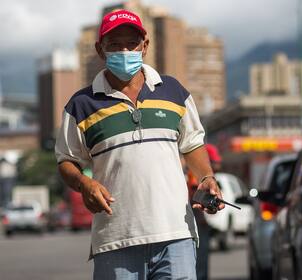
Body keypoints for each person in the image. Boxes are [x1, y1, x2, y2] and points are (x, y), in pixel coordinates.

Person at [55, 9, 224, 280]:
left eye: (131, 43)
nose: (124, 50)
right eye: (114, 44)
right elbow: (66, 161)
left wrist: (206, 177)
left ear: (144, 46)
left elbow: (192, 143)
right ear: (100, 50)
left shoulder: (174, 92)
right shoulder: (81, 104)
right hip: (115, 240)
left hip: (175, 235)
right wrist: (84, 184)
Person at [187, 144, 223, 280]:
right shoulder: (196, 175)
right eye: (214, 162)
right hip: (196, 219)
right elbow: (195, 196)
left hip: (198, 219)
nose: (218, 165)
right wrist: (202, 219)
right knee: (200, 260)